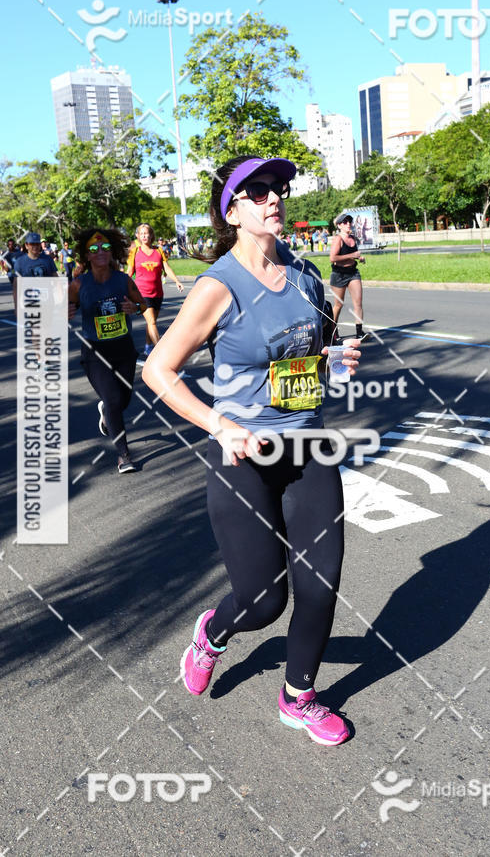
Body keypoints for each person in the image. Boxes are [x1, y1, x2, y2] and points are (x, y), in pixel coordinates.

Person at [142, 155, 361, 746]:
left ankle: (299, 696)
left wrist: (333, 362)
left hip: (309, 443)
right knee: (264, 602)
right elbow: (159, 370)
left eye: (278, 189)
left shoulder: (306, 274)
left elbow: (307, 359)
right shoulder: (219, 286)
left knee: (320, 584)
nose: (273, 198)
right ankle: (212, 633)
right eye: (257, 191)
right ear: (232, 210)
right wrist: (219, 424)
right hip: (244, 457)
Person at [68, 228, 152, 473]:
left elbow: (143, 304)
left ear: (111, 251)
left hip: (123, 349)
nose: (100, 252)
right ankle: (124, 455)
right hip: (95, 353)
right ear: (87, 256)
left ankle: (106, 410)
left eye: (104, 247)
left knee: (122, 400)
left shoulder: (122, 280)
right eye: (94, 249)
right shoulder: (78, 284)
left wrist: (133, 308)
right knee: (114, 400)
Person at [127, 223, 184, 360]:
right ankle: (159, 351)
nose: (144, 236)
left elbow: (167, 268)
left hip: (157, 293)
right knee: (152, 321)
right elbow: (129, 272)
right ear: (138, 236)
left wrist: (177, 280)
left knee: (151, 322)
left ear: (151, 235)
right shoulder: (135, 252)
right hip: (141, 294)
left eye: (146, 233)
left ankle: (148, 347)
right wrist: (119, 286)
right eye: (141, 234)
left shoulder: (158, 251)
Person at [329, 213, 369, 341]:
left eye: (349, 222)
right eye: (345, 222)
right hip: (339, 274)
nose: (348, 224)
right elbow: (333, 258)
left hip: (353, 273)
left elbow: (353, 255)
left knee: (358, 303)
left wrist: (359, 258)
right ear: (339, 225)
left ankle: (359, 332)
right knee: (338, 305)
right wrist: (353, 255)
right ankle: (333, 332)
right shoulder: (338, 239)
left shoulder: (353, 238)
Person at [12, 232, 57, 307]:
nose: (35, 246)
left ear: (40, 245)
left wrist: (62, 303)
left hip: (47, 303)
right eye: (32, 244)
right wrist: (17, 307)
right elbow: (16, 286)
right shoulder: (20, 262)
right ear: (26, 245)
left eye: (37, 244)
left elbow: (56, 281)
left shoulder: (48, 259)